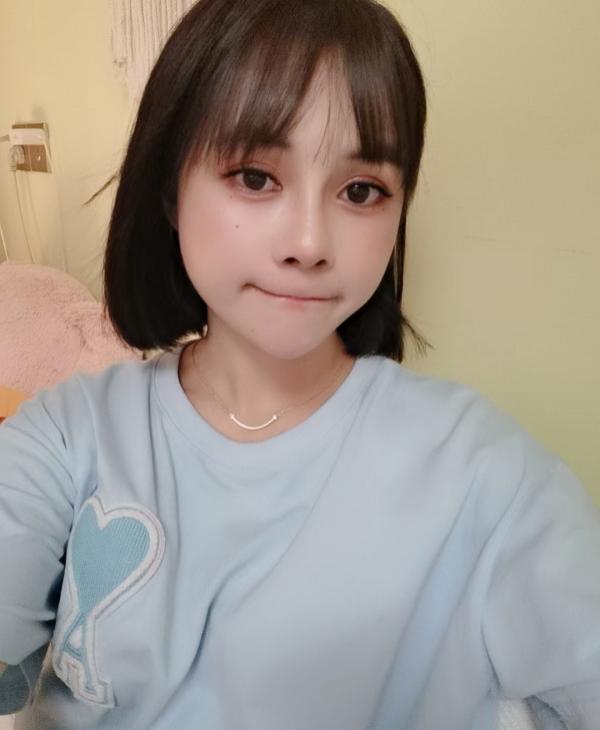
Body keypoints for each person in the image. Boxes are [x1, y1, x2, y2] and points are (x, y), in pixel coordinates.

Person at [1, 0, 599, 728]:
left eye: (361, 191)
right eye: (255, 177)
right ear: (169, 189)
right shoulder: (65, 439)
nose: (309, 243)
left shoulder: (489, 477)